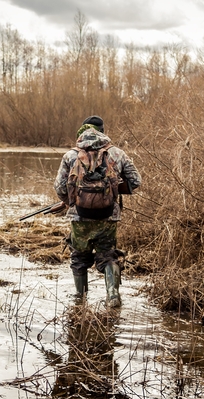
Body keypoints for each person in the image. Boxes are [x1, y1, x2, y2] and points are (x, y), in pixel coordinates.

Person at [54, 116, 141, 307]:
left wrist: (69, 201)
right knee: (108, 255)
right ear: (102, 130)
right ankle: (112, 296)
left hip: (80, 217)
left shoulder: (70, 156)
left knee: (79, 257)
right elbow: (136, 181)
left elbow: (60, 187)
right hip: (108, 215)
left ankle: (79, 299)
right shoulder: (117, 153)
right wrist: (114, 189)